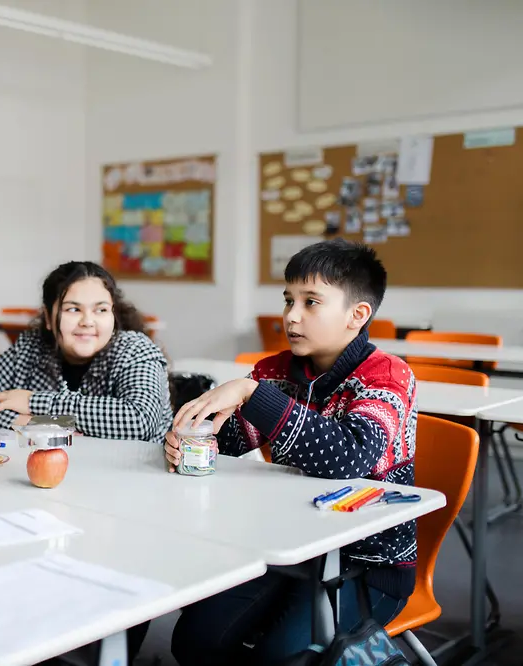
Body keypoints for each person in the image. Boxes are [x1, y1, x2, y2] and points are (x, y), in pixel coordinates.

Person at [165, 239, 416, 664]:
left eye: (311, 302)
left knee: (282, 656)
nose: (291, 315)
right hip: (284, 547)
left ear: (358, 315)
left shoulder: (387, 376)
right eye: (288, 300)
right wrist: (192, 438)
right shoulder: (274, 371)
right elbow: (228, 443)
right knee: (194, 639)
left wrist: (251, 393)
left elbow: (351, 459)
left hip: (367, 565)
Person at [0, 261, 171, 445]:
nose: (87, 322)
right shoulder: (32, 347)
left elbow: (140, 420)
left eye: (100, 310)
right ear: (49, 318)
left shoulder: (135, 349)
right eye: (73, 309)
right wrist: (32, 423)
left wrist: (33, 402)